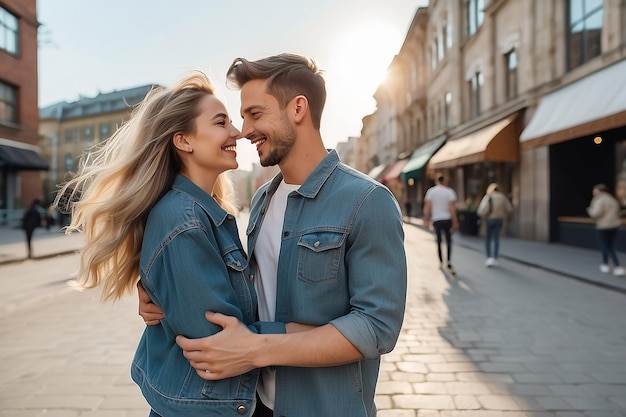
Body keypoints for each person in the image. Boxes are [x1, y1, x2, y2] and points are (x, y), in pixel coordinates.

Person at [139, 53, 407, 417]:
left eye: (255, 114)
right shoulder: (263, 199)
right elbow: (246, 291)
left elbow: (376, 327)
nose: (244, 130)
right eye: (239, 117)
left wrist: (258, 346)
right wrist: (163, 294)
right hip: (254, 404)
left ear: (298, 108)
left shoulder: (367, 201)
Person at [56, 72, 261, 416]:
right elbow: (219, 339)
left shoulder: (201, 212)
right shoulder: (184, 220)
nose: (237, 132)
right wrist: (305, 330)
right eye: (221, 122)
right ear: (184, 141)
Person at [422, 174, 459, 274]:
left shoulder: (431, 192)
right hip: (447, 219)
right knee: (448, 240)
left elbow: (427, 207)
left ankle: (441, 261)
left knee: (438, 241)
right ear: (445, 181)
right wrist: (455, 221)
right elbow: (452, 208)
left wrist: (426, 219)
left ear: (436, 181)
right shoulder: (449, 192)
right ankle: (449, 261)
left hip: (437, 219)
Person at [587, 183, 625, 276]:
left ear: (599, 191)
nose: (593, 192)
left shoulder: (599, 200)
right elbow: (618, 212)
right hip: (614, 226)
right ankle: (605, 264)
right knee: (607, 245)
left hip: (603, 226)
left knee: (607, 246)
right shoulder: (612, 199)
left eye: (594, 190)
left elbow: (596, 213)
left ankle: (617, 266)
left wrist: (589, 210)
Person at [477, 183, 513, 267]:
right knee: (496, 238)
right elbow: (510, 209)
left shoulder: (488, 197)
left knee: (488, 239)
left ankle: (489, 257)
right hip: (499, 220)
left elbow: (481, 210)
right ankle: (495, 257)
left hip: (490, 219)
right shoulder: (502, 197)